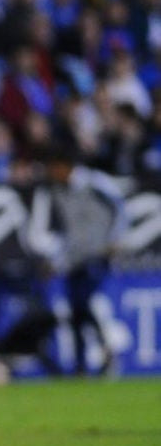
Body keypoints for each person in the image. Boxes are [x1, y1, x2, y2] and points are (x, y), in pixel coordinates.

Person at [43, 146, 127, 376]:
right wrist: (56, 260)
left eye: (54, 168)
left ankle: (107, 347)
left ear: (65, 166)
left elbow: (120, 207)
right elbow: (62, 230)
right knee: (76, 311)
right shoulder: (57, 192)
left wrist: (115, 239)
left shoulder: (95, 182)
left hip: (98, 254)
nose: (52, 173)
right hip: (74, 260)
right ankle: (82, 365)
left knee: (84, 302)